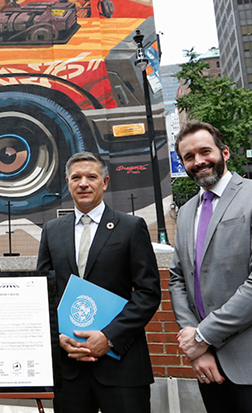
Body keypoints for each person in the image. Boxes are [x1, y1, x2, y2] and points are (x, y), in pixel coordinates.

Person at [169, 121, 252, 413]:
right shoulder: (185, 212)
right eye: (189, 157)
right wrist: (194, 342)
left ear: (225, 152)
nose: (199, 161)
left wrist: (203, 336)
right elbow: (178, 278)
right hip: (208, 365)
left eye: (205, 151)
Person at [37, 152, 160, 413]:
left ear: (104, 182)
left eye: (91, 177)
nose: (84, 183)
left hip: (121, 366)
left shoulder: (131, 227)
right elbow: (44, 294)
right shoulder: (51, 231)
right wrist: (58, 336)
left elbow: (148, 292)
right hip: (69, 367)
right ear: (67, 182)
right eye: (76, 177)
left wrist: (109, 337)